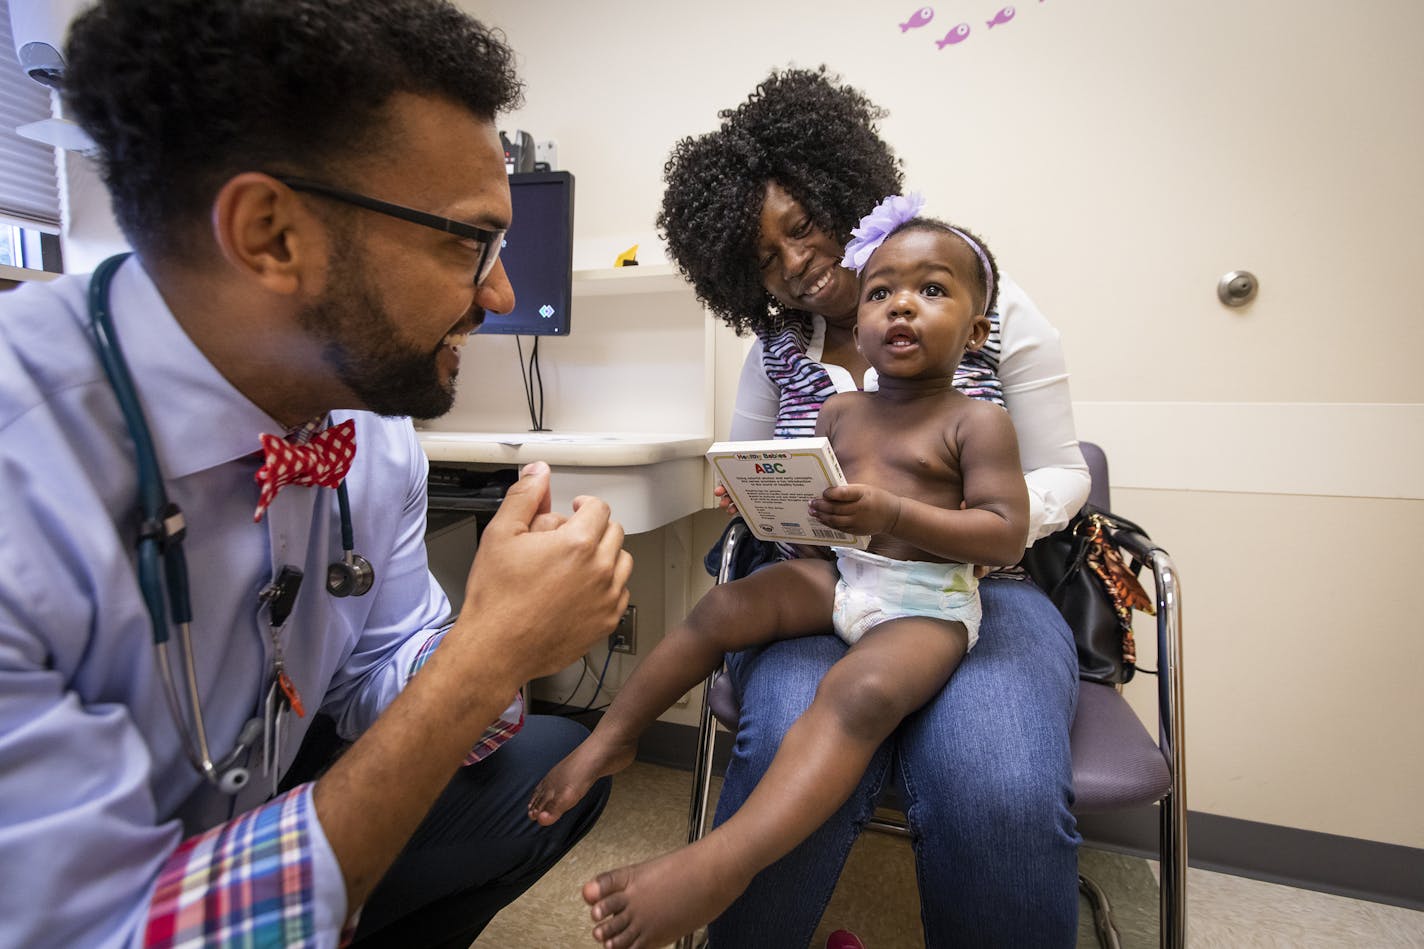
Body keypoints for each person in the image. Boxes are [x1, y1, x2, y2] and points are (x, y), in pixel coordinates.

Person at [0, 2, 634, 947]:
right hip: (93, 903)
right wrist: (484, 656)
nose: (500, 295)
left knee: (550, 768)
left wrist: (504, 631)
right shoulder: (26, 469)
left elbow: (379, 664)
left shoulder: (366, 430)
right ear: (270, 234)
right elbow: (99, 930)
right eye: (471, 242)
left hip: (256, 796)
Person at [652, 67, 1092, 947]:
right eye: (764, 259)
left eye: (803, 229)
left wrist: (939, 519)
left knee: (997, 780)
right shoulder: (775, 351)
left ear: (841, 194)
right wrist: (760, 494)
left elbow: (1064, 473)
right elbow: (752, 469)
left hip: (984, 585)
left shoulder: (988, 305)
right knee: (783, 734)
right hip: (823, 583)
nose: (796, 265)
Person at [530, 198, 1031, 949]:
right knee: (725, 608)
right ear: (856, 323)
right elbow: (817, 516)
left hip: (927, 604)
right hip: (844, 575)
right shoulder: (838, 413)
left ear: (977, 331)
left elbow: (1005, 531)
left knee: (853, 693)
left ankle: (726, 861)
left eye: (931, 291)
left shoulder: (974, 420)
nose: (901, 305)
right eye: (881, 292)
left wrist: (890, 513)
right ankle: (614, 735)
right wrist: (789, 509)